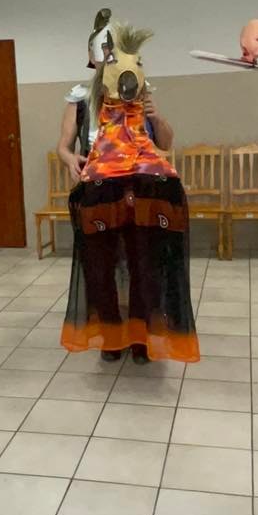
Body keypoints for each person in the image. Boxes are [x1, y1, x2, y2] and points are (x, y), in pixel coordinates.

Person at [59, 18, 199, 364]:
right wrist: (70, 158)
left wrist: (157, 116)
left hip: (142, 193)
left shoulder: (140, 91)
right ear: (93, 58)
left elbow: (166, 143)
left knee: (144, 266)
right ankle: (111, 338)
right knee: (100, 269)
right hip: (99, 192)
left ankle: (141, 339)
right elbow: (63, 146)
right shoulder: (80, 99)